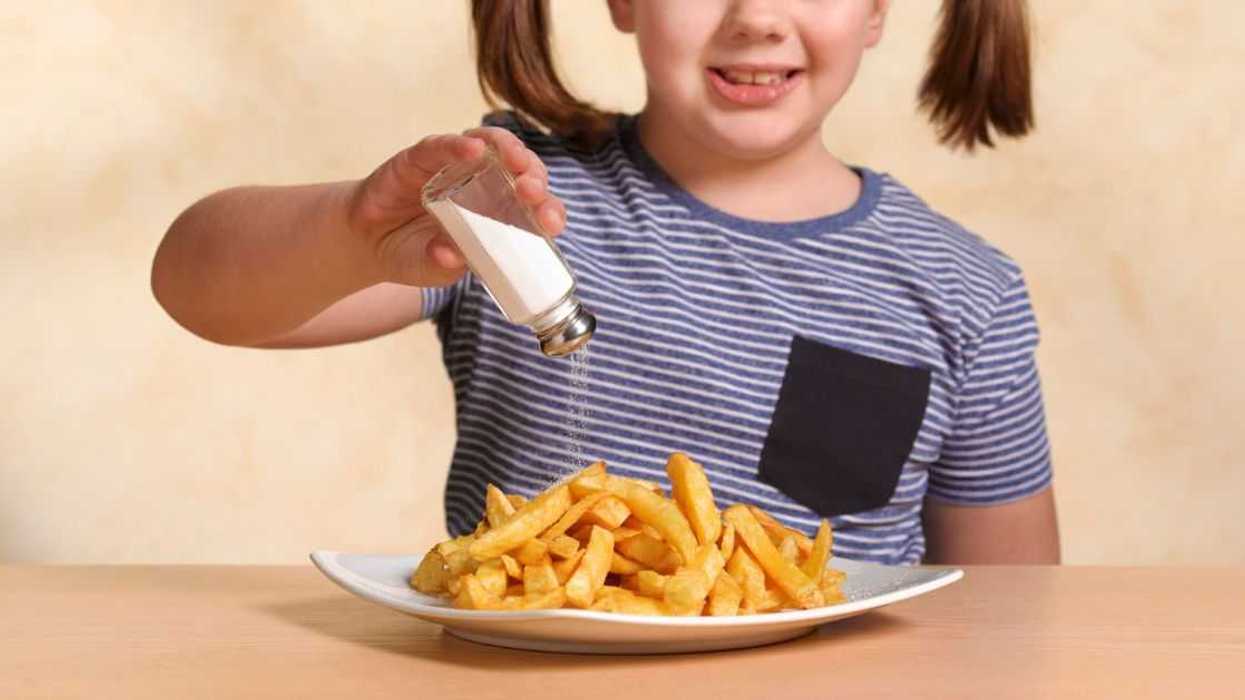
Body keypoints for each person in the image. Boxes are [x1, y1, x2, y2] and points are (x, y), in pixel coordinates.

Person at [152, 0, 1060, 565]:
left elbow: (1010, 613)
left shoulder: (963, 291)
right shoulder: (516, 205)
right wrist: (353, 228)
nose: (755, 17)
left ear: (876, 9)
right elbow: (194, 284)